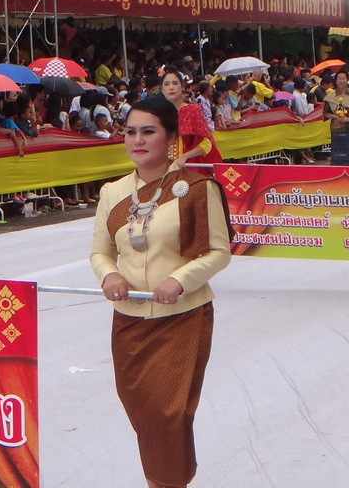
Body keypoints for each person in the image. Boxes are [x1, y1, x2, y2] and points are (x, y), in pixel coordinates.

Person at [90, 96, 233, 488]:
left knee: (170, 415)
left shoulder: (196, 188)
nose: (138, 140)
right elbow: (100, 251)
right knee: (145, 415)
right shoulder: (112, 193)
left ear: (171, 138)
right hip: (130, 322)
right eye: (130, 132)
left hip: (183, 318)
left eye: (148, 131)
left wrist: (180, 280)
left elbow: (220, 252)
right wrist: (108, 276)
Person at [160, 67, 221, 165]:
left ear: (182, 86)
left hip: (188, 165)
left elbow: (206, 143)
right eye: (166, 84)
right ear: (162, 89)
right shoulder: (157, 113)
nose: (171, 87)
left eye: (175, 83)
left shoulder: (192, 110)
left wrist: (185, 156)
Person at [323, 70, 349, 166]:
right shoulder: (330, 97)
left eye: (344, 78)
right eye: (339, 78)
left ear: (347, 80)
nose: (342, 81)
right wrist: (335, 117)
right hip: (337, 129)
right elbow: (325, 113)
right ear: (336, 81)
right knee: (339, 158)